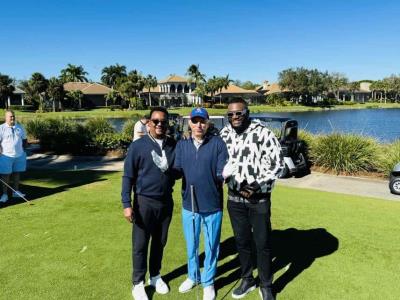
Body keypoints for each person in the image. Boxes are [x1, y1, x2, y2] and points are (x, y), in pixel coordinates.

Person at [219, 99, 284, 300]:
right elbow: (219, 162)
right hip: (234, 198)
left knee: (262, 243)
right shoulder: (224, 134)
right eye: (230, 114)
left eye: (238, 113)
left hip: (259, 199)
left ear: (247, 112)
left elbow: (278, 164)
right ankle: (247, 278)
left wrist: (256, 184)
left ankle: (266, 284)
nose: (234, 117)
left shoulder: (262, 133)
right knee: (242, 241)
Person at [121, 107, 177, 300]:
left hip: (166, 202)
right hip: (144, 201)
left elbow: (177, 171)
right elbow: (128, 176)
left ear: (168, 123)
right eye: (155, 121)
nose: (159, 124)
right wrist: (126, 204)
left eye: (163, 121)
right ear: (148, 123)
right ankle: (138, 283)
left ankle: (155, 276)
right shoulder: (138, 146)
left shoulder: (172, 144)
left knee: (160, 242)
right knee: (140, 244)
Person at [174, 107, 228, 300]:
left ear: (208, 123)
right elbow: (177, 169)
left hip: (212, 205)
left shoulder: (218, 144)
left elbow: (221, 172)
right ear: (190, 123)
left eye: (202, 121)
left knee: (212, 246)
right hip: (190, 205)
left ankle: (208, 282)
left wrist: (225, 173)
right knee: (192, 245)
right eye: (195, 121)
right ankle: (193, 276)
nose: (199, 125)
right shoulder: (182, 144)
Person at [0, 110, 28, 203]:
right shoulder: (1, 128)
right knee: (5, 175)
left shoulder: (19, 127)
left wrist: (23, 150)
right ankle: (4, 194)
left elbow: (24, 139)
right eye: (10, 116)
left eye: (13, 116)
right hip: (5, 155)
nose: (12, 118)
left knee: (17, 173)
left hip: (19, 155)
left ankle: (15, 192)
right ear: (6, 118)